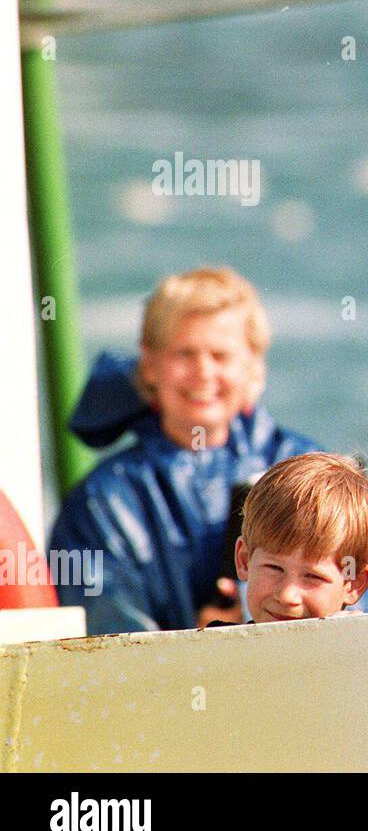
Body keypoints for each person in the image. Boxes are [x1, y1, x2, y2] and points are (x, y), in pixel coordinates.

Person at [47, 267, 318, 634]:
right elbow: (105, 636)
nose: (203, 372)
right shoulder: (104, 502)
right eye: (184, 354)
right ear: (150, 366)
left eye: (220, 356)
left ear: (254, 368)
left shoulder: (307, 468)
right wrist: (201, 645)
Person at [231, 453, 368, 623]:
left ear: (353, 583)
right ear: (244, 560)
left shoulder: (364, 649)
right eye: (274, 568)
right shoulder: (210, 646)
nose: (287, 596)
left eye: (312, 576)